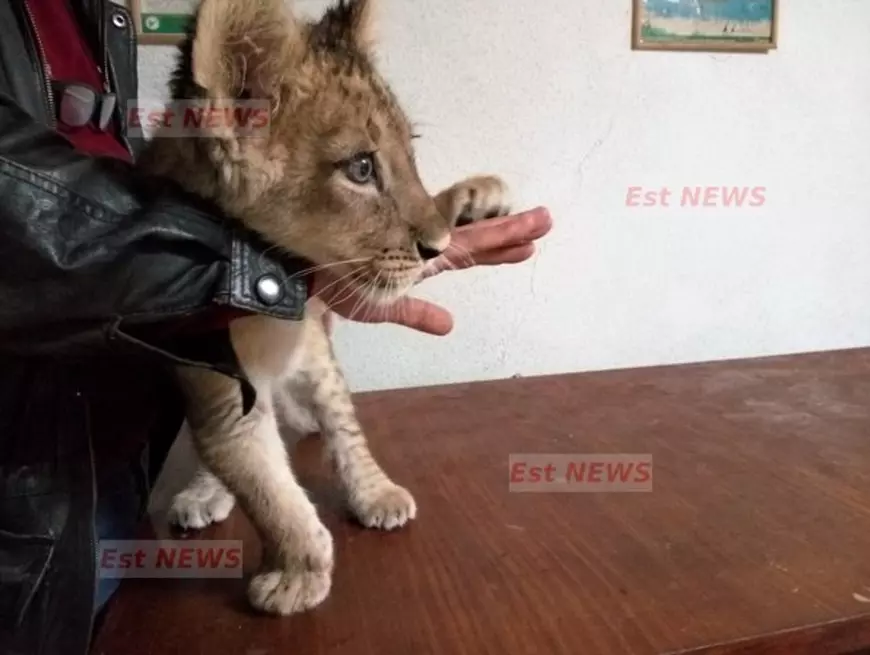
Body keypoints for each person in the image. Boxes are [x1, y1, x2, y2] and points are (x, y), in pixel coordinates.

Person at [0, 1, 552, 654]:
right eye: (363, 168)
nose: (431, 236)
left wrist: (304, 270)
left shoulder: (95, 10)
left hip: (108, 466)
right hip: (22, 499)